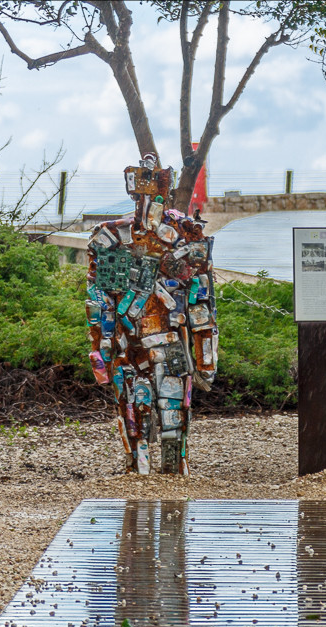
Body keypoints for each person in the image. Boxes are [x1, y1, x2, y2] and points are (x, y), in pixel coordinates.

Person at [85, 153, 218, 475]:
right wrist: (101, 350)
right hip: (126, 342)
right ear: (132, 191)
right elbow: (97, 298)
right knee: (134, 406)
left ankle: (173, 465)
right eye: (141, 189)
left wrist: (205, 359)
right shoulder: (110, 238)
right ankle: (138, 464)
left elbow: (202, 301)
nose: (147, 200)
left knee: (172, 409)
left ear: (165, 188)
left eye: (154, 188)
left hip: (170, 337)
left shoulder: (185, 237)